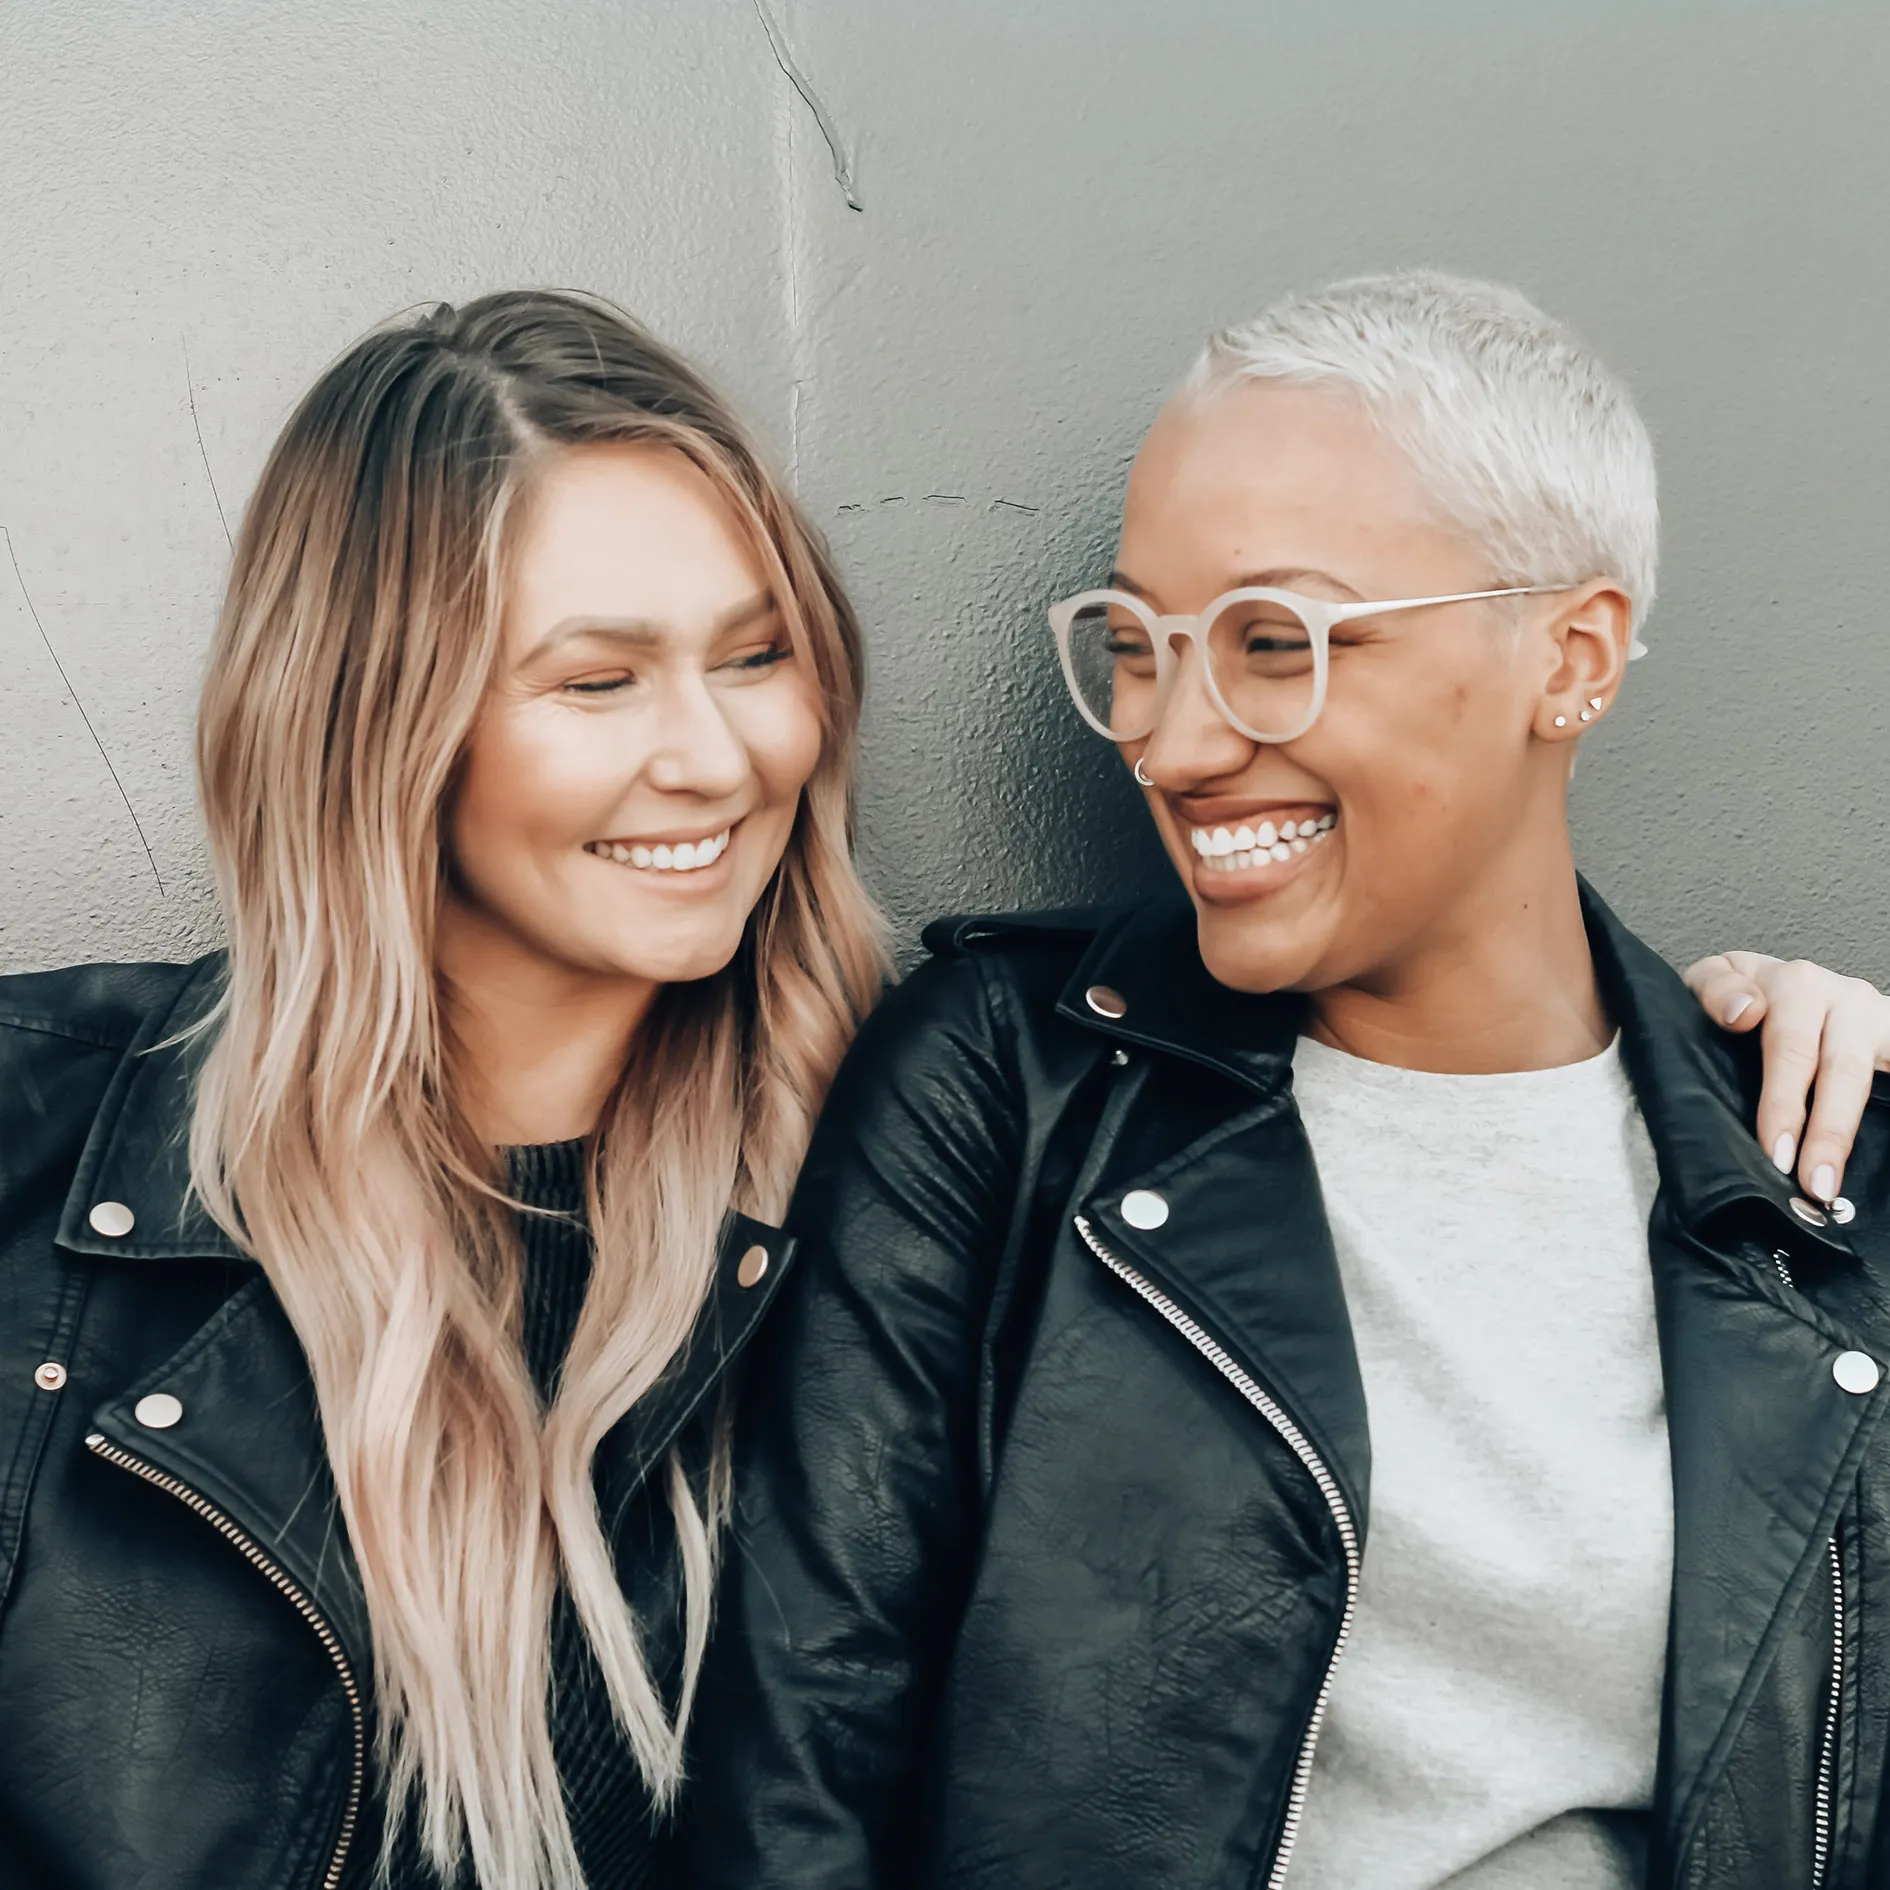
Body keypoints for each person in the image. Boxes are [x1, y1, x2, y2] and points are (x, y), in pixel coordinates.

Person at [685, 272, 1890, 1890]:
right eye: (1139, 644)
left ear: (1573, 657)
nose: (1172, 744)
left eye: (1276, 642)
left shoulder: (1815, 1177)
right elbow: (797, 1790)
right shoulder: (1003, 1089)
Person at [0, 291, 884, 1890]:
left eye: (756, 655)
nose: (716, 756)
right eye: (596, 683)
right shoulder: (26, 1142)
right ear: (376, 728)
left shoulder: (912, 1192)